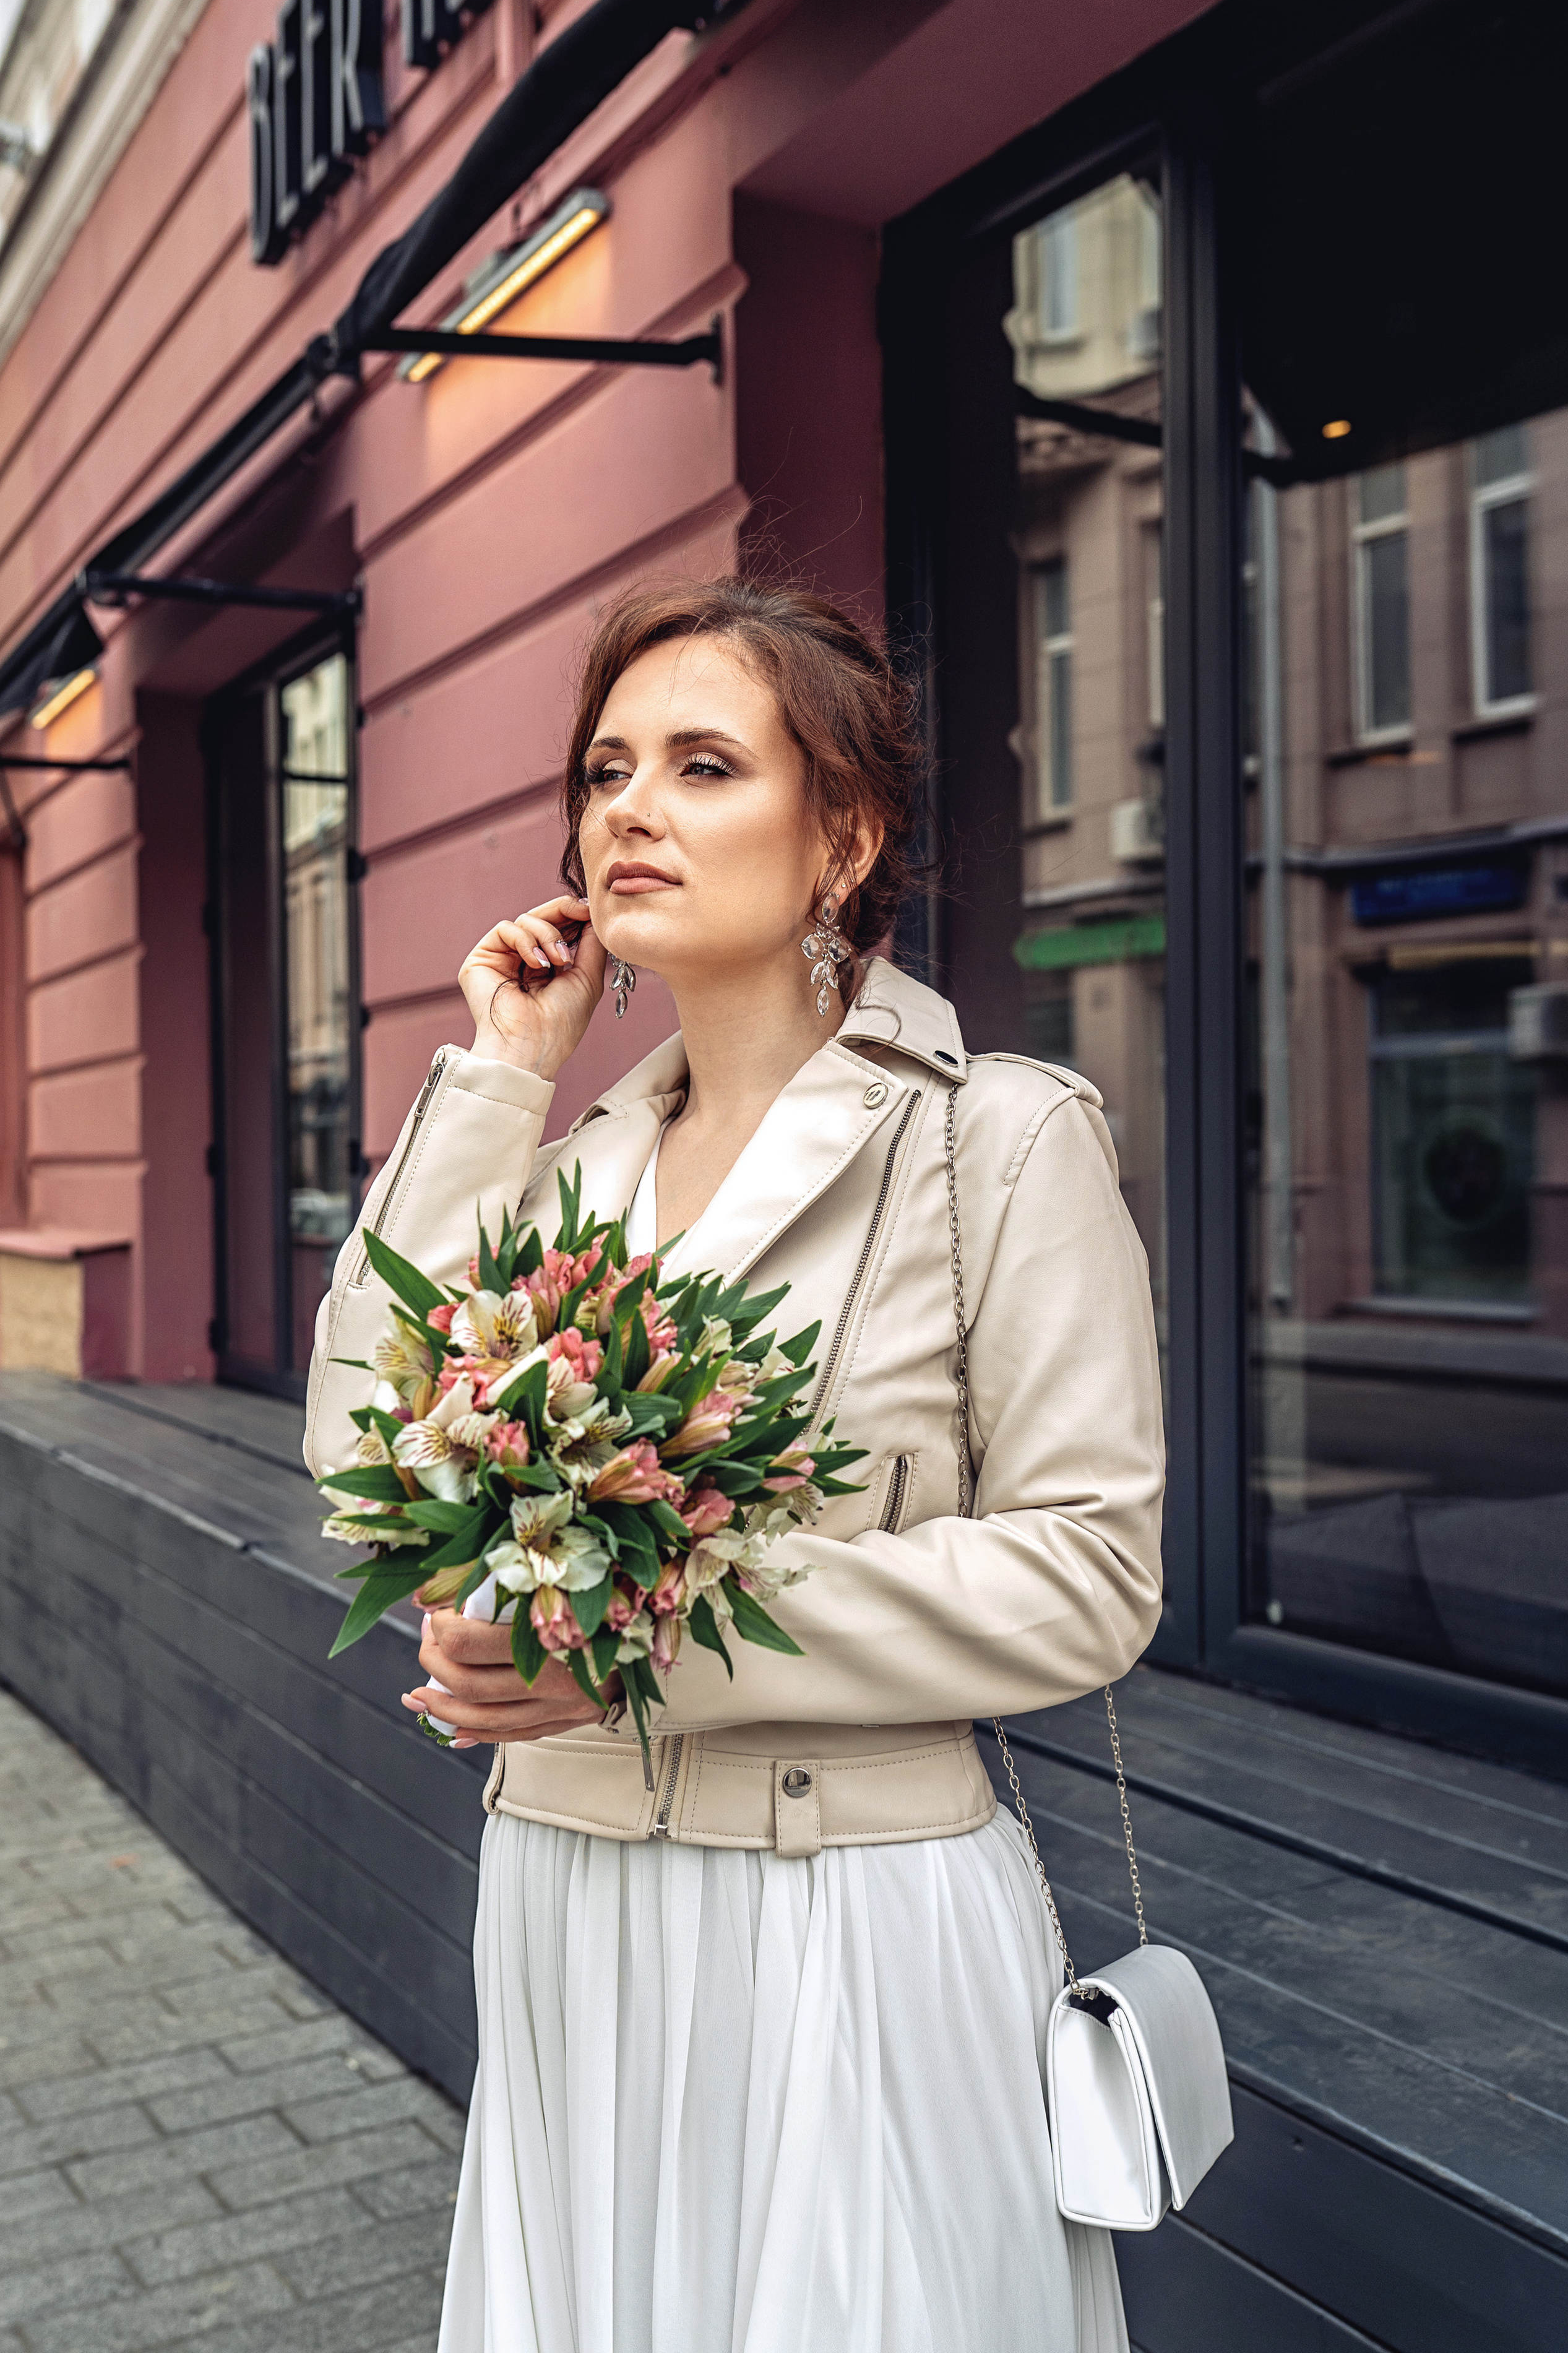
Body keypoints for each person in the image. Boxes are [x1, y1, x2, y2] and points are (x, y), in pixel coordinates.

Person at [304, 578, 1165, 2353]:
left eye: (703, 765)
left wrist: (621, 1645)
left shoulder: (991, 1142)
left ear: (839, 835)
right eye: (608, 768)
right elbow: (361, 1455)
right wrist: (496, 1079)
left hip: (847, 1915)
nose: (629, 807)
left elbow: (1089, 1573)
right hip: (566, 1907)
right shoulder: (561, 1172)